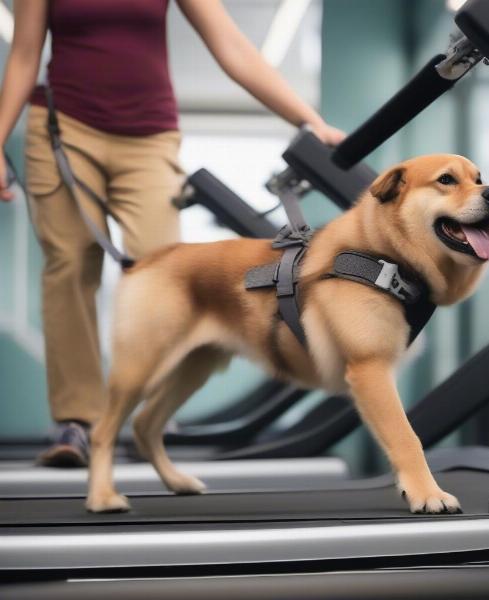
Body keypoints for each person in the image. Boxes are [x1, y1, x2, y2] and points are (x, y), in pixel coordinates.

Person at [0, 0, 345, 467]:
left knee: (166, 268)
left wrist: (309, 121)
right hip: (64, 129)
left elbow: (231, 46)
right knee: (71, 267)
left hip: (149, 135)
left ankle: (156, 411)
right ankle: (76, 422)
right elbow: (24, 54)